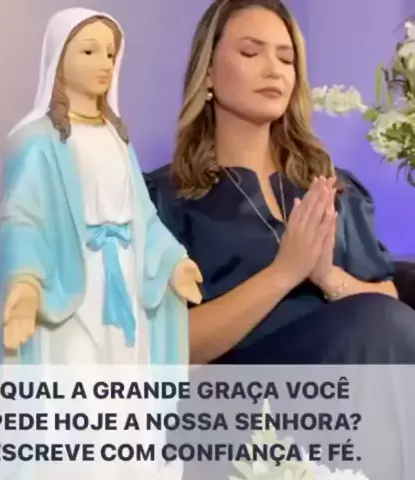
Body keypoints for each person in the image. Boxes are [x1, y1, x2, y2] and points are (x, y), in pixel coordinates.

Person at [0, 7, 202, 479]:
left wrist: (172, 261)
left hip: (125, 288)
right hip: (72, 291)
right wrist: (25, 282)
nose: (104, 63)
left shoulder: (116, 137)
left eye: (110, 53)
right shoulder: (34, 140)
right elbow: (20, 218)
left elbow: (143, 216)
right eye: (89, 51)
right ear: (58, 58)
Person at [147, 0, 415, 366]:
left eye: (286, 59)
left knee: (379, 323)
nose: (273, 70)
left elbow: (390, 304)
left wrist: (326, 275)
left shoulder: (334, 189)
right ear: (207, 72)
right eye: (250, 53)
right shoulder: (165, 200)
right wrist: (284, 273)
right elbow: (163, 348)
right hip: (246, 390)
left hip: (356, 372)